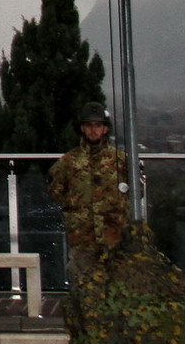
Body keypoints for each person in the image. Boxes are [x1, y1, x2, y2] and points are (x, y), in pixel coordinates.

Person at [47, 101, 130, 281]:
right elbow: (56, 190)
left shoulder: (120, 160)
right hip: (83, 236)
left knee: (116, 282)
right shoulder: (69, 162)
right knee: (82, 281)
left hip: (113, 234)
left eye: (98, 125)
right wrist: (77, 209)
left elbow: (134, 191)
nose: (94, 130)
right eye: (90, 126)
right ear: (83, 128)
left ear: (105, 129)